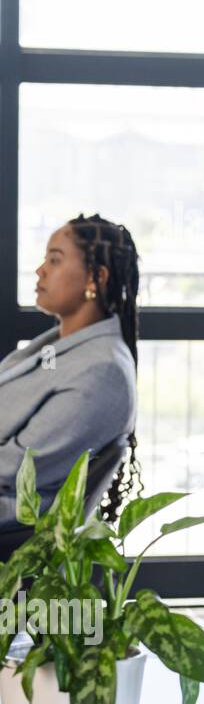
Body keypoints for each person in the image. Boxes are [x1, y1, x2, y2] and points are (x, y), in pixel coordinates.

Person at [0, 214, 142, 531]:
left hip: (14, 519)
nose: (41, 270)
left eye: (55, 260)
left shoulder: (102, 372)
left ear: (96, 278)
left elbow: (17, 469)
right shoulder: (64, 343)